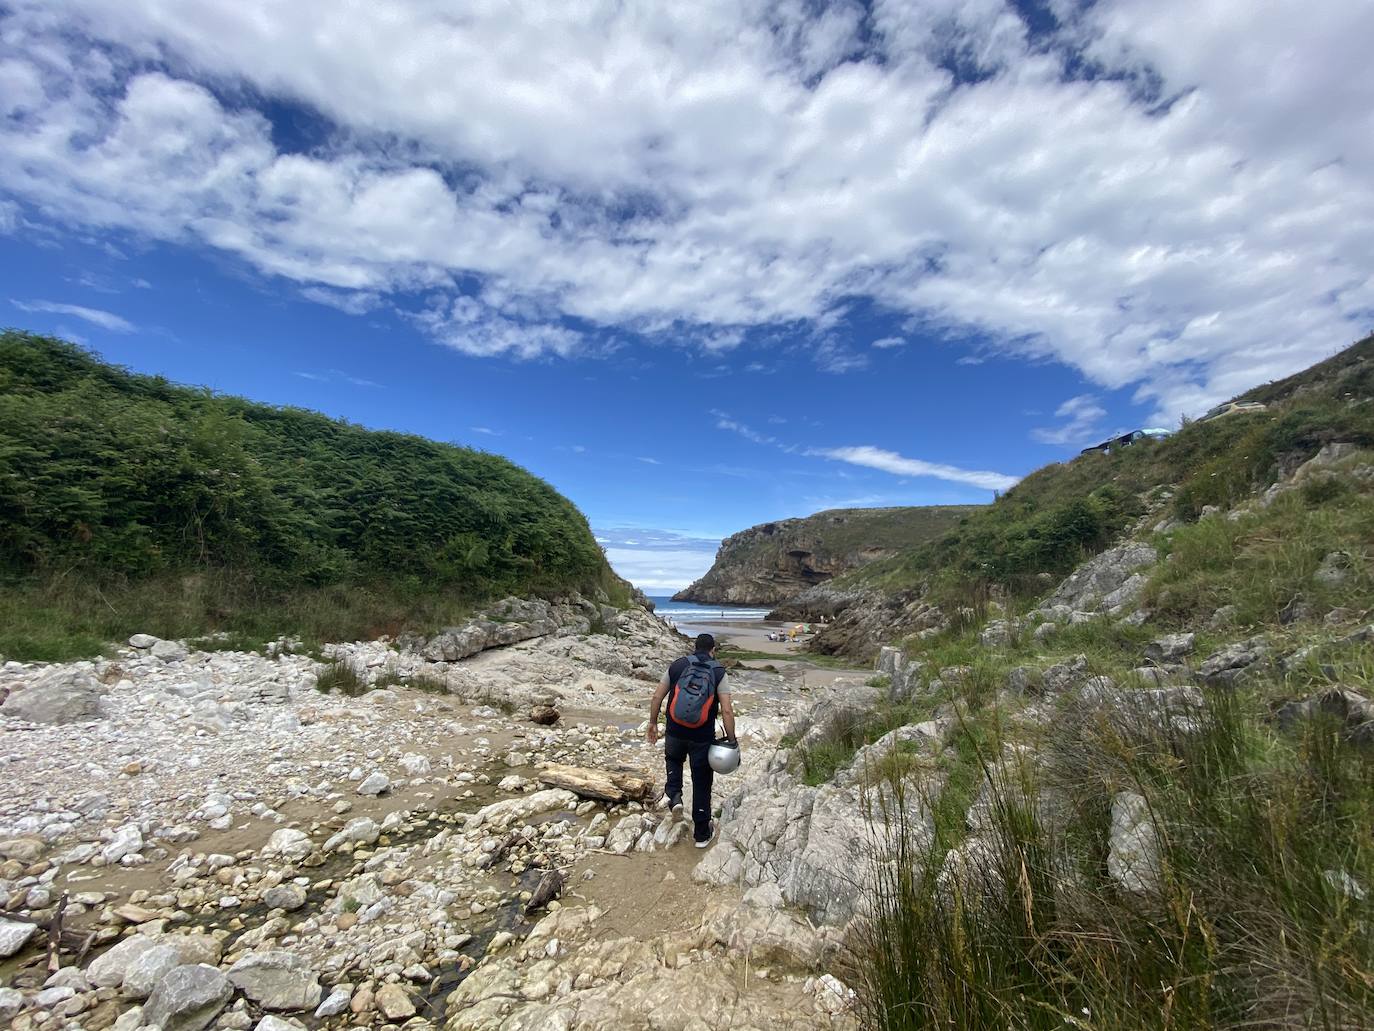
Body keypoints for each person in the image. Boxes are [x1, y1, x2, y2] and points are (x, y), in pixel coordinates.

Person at [646, 632, 735, 848]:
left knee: (673, 762)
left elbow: (657, 696)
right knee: (702, 782)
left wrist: (652, 722)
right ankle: (702, 834)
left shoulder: (678, 665)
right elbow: (727, 711)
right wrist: (731, 740)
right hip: (702, 737)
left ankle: (675, 797)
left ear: (694, 647)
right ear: (713, 650)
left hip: (675, 731)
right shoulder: (718, 671)